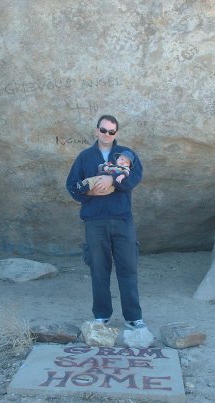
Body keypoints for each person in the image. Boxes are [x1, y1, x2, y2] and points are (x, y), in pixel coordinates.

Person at [66, 114, 146, 330]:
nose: (107, 134)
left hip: (122, 219)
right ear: (96, 131)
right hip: (95, 221)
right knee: (99, 269)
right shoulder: (84, 157)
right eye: (103, 130)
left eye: (111, 131)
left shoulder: (126, 155)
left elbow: (136, 176)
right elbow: (72, 185)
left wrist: (113, 180)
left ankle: (133, 317)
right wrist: (89, 190)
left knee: (128, 267)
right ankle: (101, 315)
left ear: (116, 133)